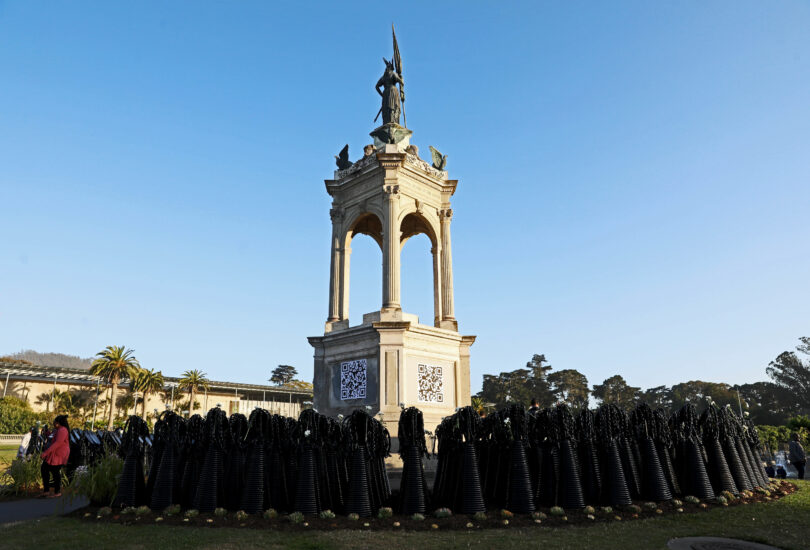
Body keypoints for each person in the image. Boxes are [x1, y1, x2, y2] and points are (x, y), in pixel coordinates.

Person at [40, 415, 70, 498]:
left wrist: (45, 453)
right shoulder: (57, 430)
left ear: (58, 423)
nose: (53, 423)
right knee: (44, 469)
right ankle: (46, 491)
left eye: (54, 421)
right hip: (54, 453)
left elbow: (58, 443)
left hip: (59, 454)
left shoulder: (63, 430)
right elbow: (52, 437)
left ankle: (57, 492)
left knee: (55, 472)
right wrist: (47, 432)